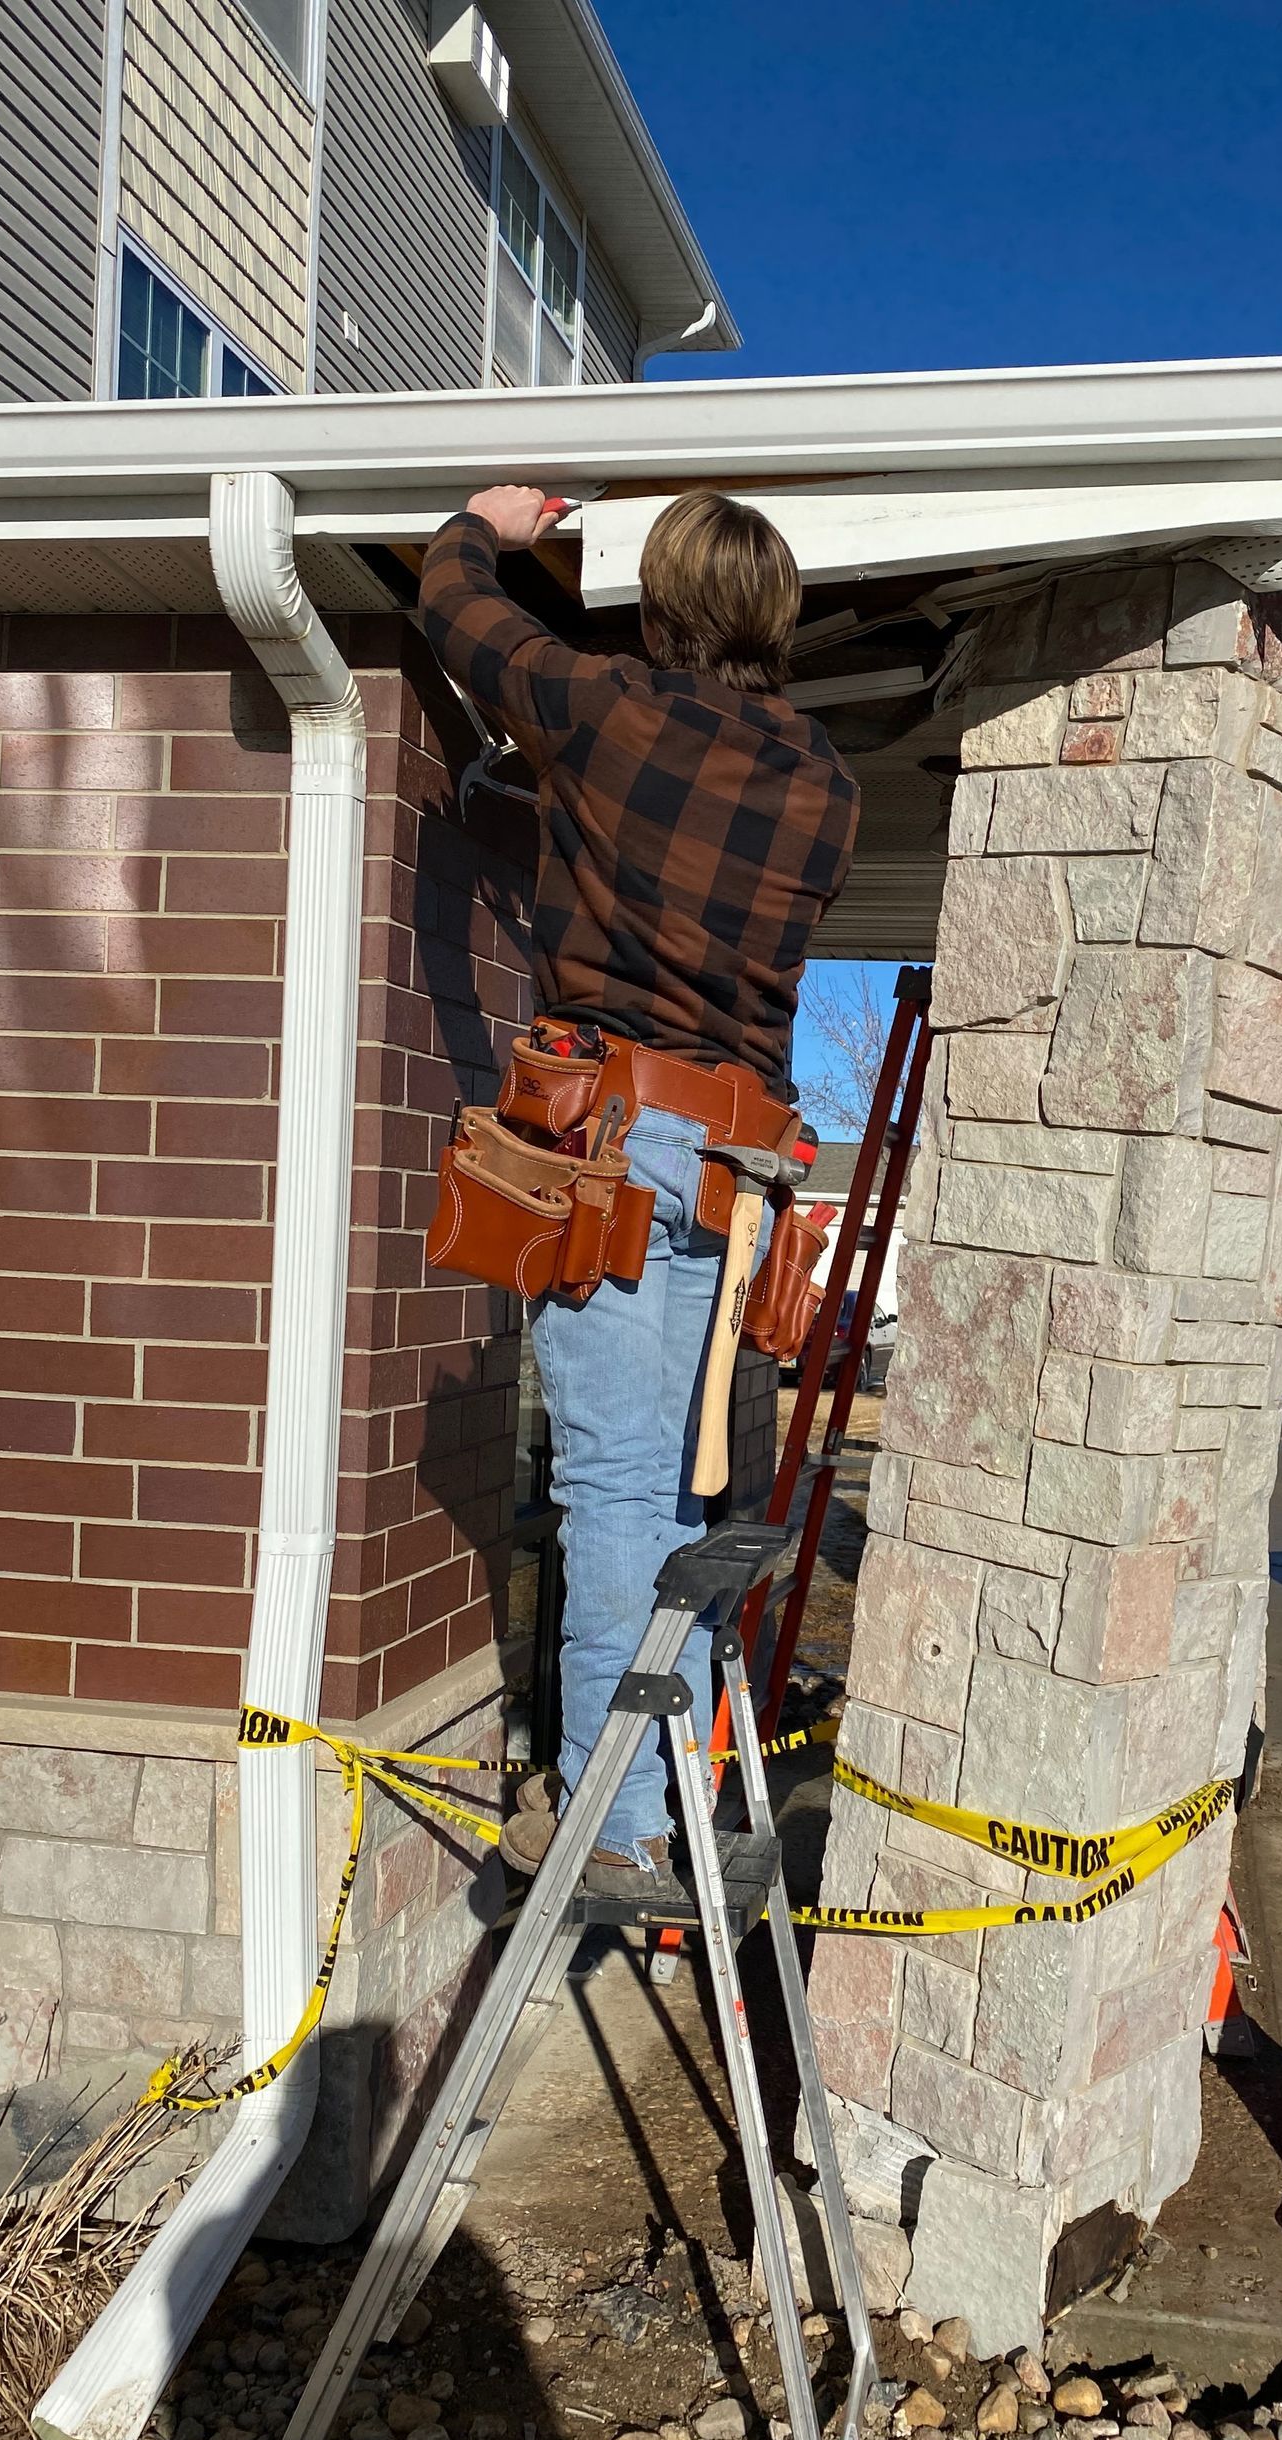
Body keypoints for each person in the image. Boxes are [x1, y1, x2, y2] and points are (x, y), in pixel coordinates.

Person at [420, 487, 857, 1887]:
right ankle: (672, 1794)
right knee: (677, 1494)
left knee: (614, 1492)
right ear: (772, 623)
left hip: (614, 1142)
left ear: (660, 606)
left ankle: (616, 1830)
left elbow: (456, 612)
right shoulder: (829, 788)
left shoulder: (606, 710)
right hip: (740, 1172)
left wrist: (479, 519)